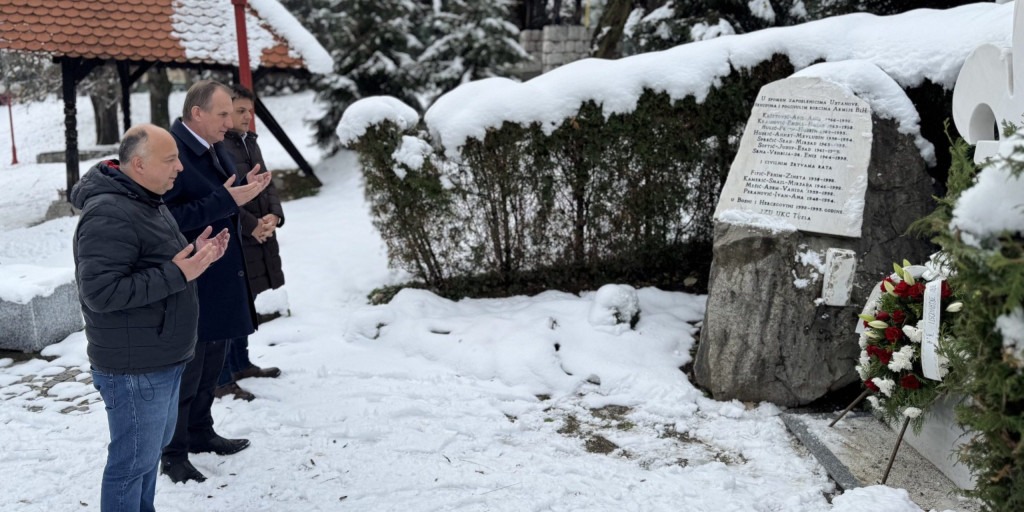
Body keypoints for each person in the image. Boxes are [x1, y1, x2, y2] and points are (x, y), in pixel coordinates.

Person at [71, 124, 230, 511]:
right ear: (139, 164)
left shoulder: (144, 199)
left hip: (160, 357)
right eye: (171, 159)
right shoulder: (109, 212)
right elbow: (101, 292)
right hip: (134, 367)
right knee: (131, 465)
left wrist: (195, 253)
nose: (180, 167)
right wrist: (179, 272)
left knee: (145, 458)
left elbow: (151, 262)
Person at [160, 80, 272, 484]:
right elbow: (167, 219)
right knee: (188, 372)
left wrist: (243, 196)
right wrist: (227, 200)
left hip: (221, 273)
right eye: (222, 114)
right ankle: (173, 453)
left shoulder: (214, 146)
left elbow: (223, 200)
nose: (230, 122)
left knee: (211, 366)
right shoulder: (171, 152)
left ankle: (201, 431)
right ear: (197, 113)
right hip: (193, 280)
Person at [213, 84, 284, 401]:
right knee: (229, 307)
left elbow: (267, 184)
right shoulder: (218, 146)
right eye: (240, 110)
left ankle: (241, 364)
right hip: (236, 238)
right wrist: (252, 226)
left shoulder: (249, 142)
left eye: (249, 111)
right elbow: (221, 197)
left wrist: (274, 216)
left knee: (246, 302)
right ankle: (222, 377)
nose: (246, 117)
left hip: (258, 236)